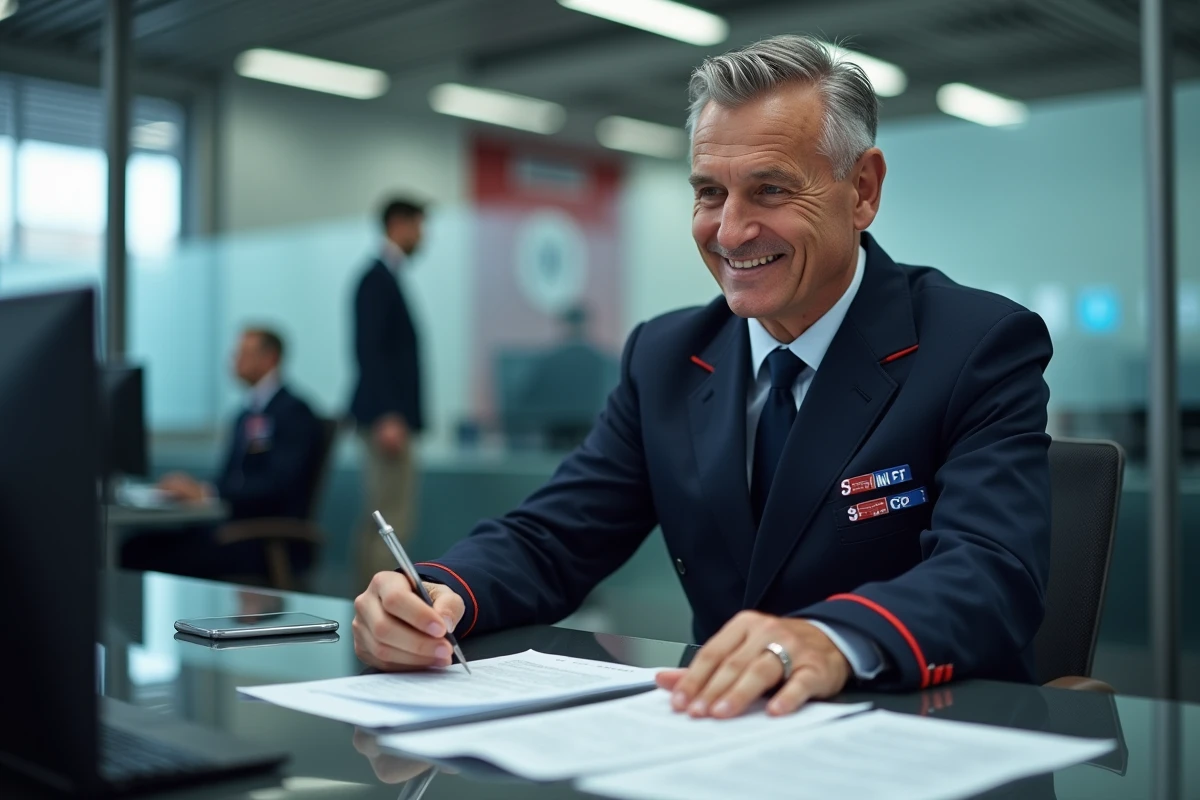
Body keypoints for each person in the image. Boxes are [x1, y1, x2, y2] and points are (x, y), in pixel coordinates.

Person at [352, 35, 1053, 720]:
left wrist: (832, 638)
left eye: (771, 190)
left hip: (923, 738)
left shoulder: (975, 345)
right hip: (722, 739)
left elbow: (991, 572)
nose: (730, 231)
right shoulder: (667, 355)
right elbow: (555, 537)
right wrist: (437, 595)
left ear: (862, 190)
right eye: (710, 193)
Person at [121, 328, 323, 578]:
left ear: (270, 358)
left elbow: (279, 485)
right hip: (229, 529)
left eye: (244, 353)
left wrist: (207, 493)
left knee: (142, 553)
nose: (235, 361)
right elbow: (232, 478)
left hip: (261, 536)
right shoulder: (244, 414)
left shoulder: (294, 413)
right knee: (136, 545)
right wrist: (196, 490)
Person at [349, 197, 427, 588]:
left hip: (388, 416)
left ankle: (372, 605)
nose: (423, 236)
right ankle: (379, 607)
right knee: (388, 521)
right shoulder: (376, 279)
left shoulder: (387, 277)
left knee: (381, 517)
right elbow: (370, 351)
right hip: (387, 420)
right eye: (419, 225)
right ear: (398, 224)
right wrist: (387, 414)